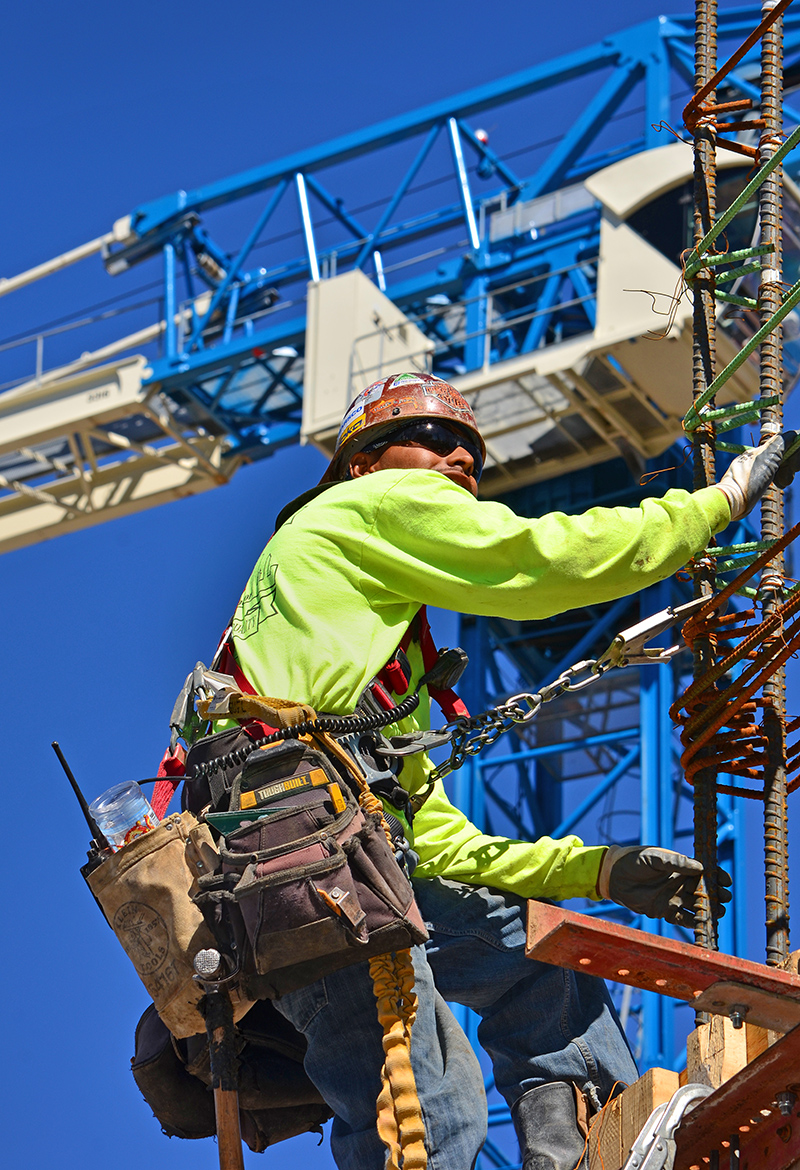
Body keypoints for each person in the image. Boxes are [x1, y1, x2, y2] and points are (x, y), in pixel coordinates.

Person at [179, 372, 790, 1170]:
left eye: (472, 450)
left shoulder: (358, 670)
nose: (461, 458)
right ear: (363, 465)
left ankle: (582, 1155)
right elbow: (543, 561)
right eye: (435, 441)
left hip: (338, 851)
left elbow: (439, 848)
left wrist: (593, 871)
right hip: (306, 872)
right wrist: (713, 506)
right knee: (425, 1117)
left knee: (541, 965)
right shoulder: (363, 508)